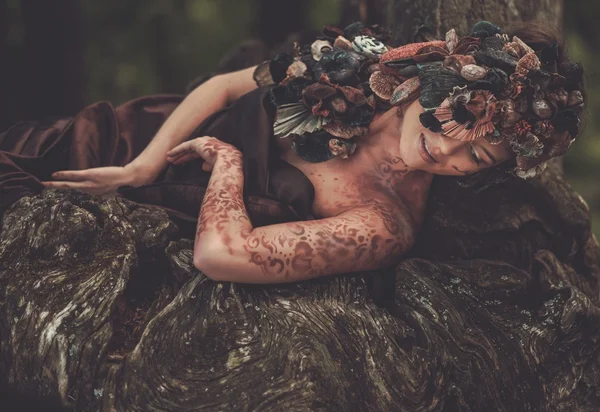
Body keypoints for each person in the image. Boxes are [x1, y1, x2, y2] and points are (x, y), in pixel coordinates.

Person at [0, 21, 585, 284]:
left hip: (128, 222)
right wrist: (143, 163)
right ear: (438, 83)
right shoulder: (350, 64)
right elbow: (225, 87)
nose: (449, 146)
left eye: (478, 158)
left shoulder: (386, 225)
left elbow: (223, 256)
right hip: (119, 140)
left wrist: (225, 163)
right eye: (463, 116)